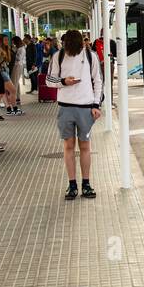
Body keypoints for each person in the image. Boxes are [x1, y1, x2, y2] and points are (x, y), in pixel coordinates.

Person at [45, 29, 103, 200]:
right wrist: (64, 82)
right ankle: (72, 184)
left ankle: (86, 183)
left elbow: (98, 80)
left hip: (86, 107)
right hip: (65, 108)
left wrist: (96, 104)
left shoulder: (90, 56)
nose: (70, 50)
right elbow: (49, 80)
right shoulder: (58, 56)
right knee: (68, 146)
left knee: (85, 147)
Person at [9, 35, 25, 115]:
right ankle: (17, 97)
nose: (12, 43)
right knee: (16, 82)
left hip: (17, 65)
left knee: (13, 83)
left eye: (13, 41)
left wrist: (13, 51)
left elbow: (18, 58)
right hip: (20, 66)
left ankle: (13, 99)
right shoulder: (21, 48)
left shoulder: (20, 49)